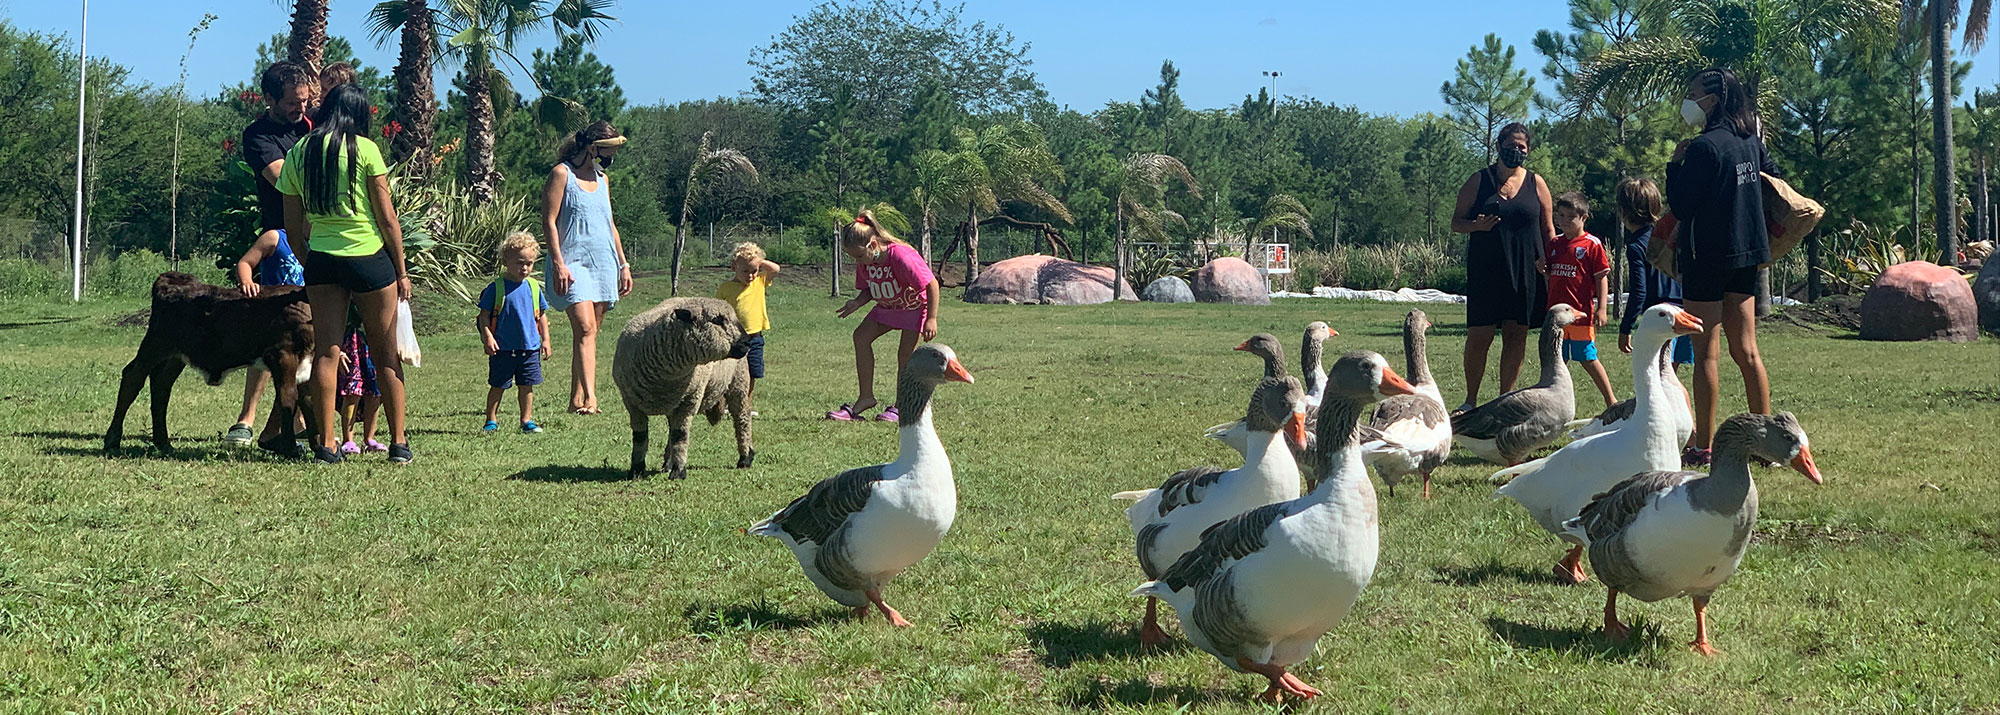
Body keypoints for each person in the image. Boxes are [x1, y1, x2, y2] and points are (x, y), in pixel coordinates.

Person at [277, 83, 414, 465]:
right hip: (369, 258)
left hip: (323, 259)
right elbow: (387, 217)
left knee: (326, 352)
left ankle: (327, 444)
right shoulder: (365, 149)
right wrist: (401, 269)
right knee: (386, 354)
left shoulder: (299, 152)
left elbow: (291, 221)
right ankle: (399, 443)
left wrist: (307, 258)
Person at [1664, 67, 1781, 466]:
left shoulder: (1702, 148)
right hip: (1747, 255)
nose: (1688, 100)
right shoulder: (1750, 141)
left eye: (1693, 92)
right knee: (1747, 349)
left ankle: (1704, 445)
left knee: (1706, 354)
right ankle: (1767, 442)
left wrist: (1674, 166)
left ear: (1711, 100)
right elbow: (1773, 181)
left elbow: (1681, 204)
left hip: (1706, 259)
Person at [228, 59, 316, 449]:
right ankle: (247, 418)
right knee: (272, 332)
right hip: (280, 240)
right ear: (269, 99)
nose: (301, 109)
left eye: (306, 100)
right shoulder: (258, 136)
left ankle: (285, 423)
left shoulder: (312, 126)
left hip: (322, 239)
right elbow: (283, 179)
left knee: (312, 333)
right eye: (294, 103)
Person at [1451, 123, 1555, 411]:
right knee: (1479, 335)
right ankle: (1470, 401)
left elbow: (1548, 230)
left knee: (1515, 334)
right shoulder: (1478, 180)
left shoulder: (1537, 183)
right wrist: (1477, 226)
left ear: (1528, 150)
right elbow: (1456, 222)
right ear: (1498, 147)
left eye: (1521, 147)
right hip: (1486, 269)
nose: (1516, 152)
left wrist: (1552, 260)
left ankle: (1503, 398)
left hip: (1526, 270)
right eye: (1510, 146)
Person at [542, 121, 633, 415]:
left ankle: (576, 400)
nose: (612, 155)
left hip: (603, 263)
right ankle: (592, 399)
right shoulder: (561, 174)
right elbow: (549, 221)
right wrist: (558, 263)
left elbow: (610, 225)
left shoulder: (602, 180)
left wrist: (623, 263)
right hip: (572, 263)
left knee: (589, 334)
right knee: (584, 327)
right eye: (609, 149)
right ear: (593, 148)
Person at [826, 211, 940, 423]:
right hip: (887, 308)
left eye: (859, 256)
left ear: (872, 244)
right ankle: (865, 398)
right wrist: (857, 302)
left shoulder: (902, 256)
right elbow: (869, 288)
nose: (858, 261)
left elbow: (931, 284)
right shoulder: (866, 262)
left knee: (905, 356)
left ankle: (901, 406)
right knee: (860, 337)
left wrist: (931, 318)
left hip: (913, 308)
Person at [1545, 191, 1617, 408]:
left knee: (1587, 358)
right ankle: (1555, 402)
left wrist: (1602, 308)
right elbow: (1553, 274)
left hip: (1580, 315)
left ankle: (1611, 400)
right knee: (1557, 360)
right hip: (1556, 315)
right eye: (1561, 215)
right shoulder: (1555, 243)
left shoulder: (1591, 245)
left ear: (1583, 218)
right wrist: (1543, 270)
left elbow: (1602, 277)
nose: (1564, 221)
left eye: (1570, 217)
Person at [1615, 177, 1694, 369]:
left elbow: (1639, 291)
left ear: (1623, 211)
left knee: (1660, 376)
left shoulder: (1636, 246)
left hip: (1662, 317)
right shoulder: (1669, 236)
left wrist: (1626, 327)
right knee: (1670, 376)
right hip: (1686, 308)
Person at [478, 232, 552, 434]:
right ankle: (491, 419)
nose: (525, 268)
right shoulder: (496, 288)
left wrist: (545, 339)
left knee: (527, 386)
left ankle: (526, 420)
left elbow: (542, 316)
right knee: (498, 385)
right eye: (520, 263)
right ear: (505, 261)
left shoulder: (534, 287)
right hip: (503, 349)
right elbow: (483, 316)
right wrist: (488, 337)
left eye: (529, 263)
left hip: (529, 348)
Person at [716, 241, 781, 404]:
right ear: (734, 268)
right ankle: (725, 402)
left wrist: (759, 261)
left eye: (754, 271)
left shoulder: (759, 282)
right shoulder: (725, 288)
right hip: (733, 338)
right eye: (745, 271)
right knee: (729, 372)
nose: (750, 275)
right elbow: (717, 311)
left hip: (754, 338)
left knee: (752, 372)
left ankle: (745, 403)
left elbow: (776, 269)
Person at [335, 305, 385, 454]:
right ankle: (348, 440)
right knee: (352, 392)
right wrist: (338, 350)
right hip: (350, 343)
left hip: (373, 342)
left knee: (374, 393)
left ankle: (369, 439)